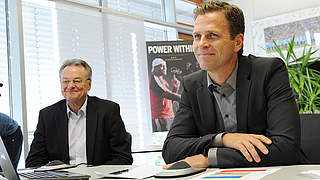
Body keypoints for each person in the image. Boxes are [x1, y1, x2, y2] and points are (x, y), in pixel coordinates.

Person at [162, 1, 304, 168]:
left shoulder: (269, 72)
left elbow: (285, 148)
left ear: (237, 42)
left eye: (212, 35)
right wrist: (223, 139)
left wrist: (210, 158)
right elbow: (171, 149)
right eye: (197, 36)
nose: (201, 44)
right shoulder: (192, 84)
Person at [25, 59, 133, 167]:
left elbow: (123, 157)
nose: (70, 86)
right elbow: (33, 161)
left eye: (76, 81)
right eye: (65, 81)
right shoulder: (47, 116)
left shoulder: (108, 111)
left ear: (89, 85)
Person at [149, 58, 181, 132]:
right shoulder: (154, 79)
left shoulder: (162, 80)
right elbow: (166, 94)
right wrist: (185, 98)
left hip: (168, 116)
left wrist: (176, 88)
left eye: (165, 65)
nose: (164, 68)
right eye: (161, 66)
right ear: (154, 68)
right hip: (160, 117)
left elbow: (169, 100)